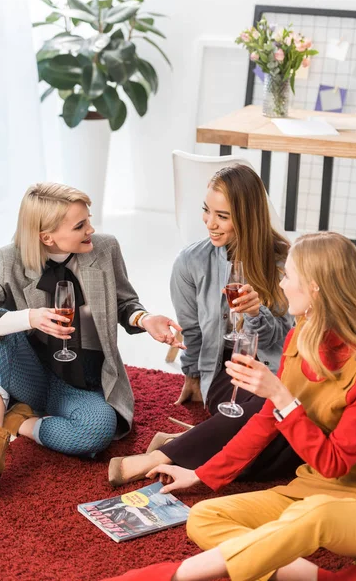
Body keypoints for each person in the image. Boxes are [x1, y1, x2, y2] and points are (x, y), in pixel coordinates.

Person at [101, 232, 356, 581]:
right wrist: (199, 474)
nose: (281, 285)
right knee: (204, 517)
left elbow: (334, 463)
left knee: (316, 515)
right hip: (306, 490)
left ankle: (176, 575)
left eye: (288, 276)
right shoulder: (302, 335)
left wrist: (282, 397)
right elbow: (265, 422)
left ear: (314, 288)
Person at [108, 164, 302, 487]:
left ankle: (175, 446)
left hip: (273, 370)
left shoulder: (285, 264)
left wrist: (256, 314)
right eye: (206, 210)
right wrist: (194, 376)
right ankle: (156, 459)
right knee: (272, 419)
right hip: (226, 372)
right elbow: (192, 331)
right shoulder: (190, 263)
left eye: (222, 216)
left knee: (286, 431)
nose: (209, 223)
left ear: (247, 217)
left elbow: (285, 341)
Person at [0, 183, 184, 497]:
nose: (91, 229)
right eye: (80, 226)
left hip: (80, 379)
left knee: (98, 432)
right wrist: (30, 317)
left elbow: (124, 303)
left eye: (89, 220)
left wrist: (144, 320)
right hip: (28, 374)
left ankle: (20, 422)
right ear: (46, 237)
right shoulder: (6, 260)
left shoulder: (105, 249)